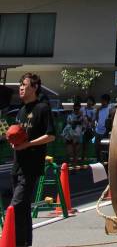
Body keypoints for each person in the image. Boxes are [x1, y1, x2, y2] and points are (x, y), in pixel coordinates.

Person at [10, 73, 55, 247]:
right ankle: (24, 242)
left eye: (25, 84)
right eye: (20, 84)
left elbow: (51, 136)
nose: (21, 87)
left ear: (35, 87)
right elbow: (19, 135)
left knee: (16, 205)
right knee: (23, 208)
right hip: (17, 164)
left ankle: (14, 241)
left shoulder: (42, 108)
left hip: (32, 166)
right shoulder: (21, 111)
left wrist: (27, 144)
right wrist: (13, 140)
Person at [62, 98, 86, 167]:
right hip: (70, 136)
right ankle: (69, 166)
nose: (76, 110)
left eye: (78, 109)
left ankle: (74, 167)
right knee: (70, 152)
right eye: (75, 109)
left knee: (76, 153)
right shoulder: (69, 116)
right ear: (73, 108)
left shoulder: (82, 117)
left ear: (80, 108)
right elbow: (67, 126)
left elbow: (84, 126)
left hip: (78, 136)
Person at [94, 93, 112, 162]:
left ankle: (104, 163)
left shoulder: (110, 109)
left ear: (106, 101)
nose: (101, 102)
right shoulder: (99, 109)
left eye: (102, 100)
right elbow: (96, 119)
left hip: (105, 132)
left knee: (103, 149)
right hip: (98, 131)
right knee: (97, 148)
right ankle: (98, 161)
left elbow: (109, 120)